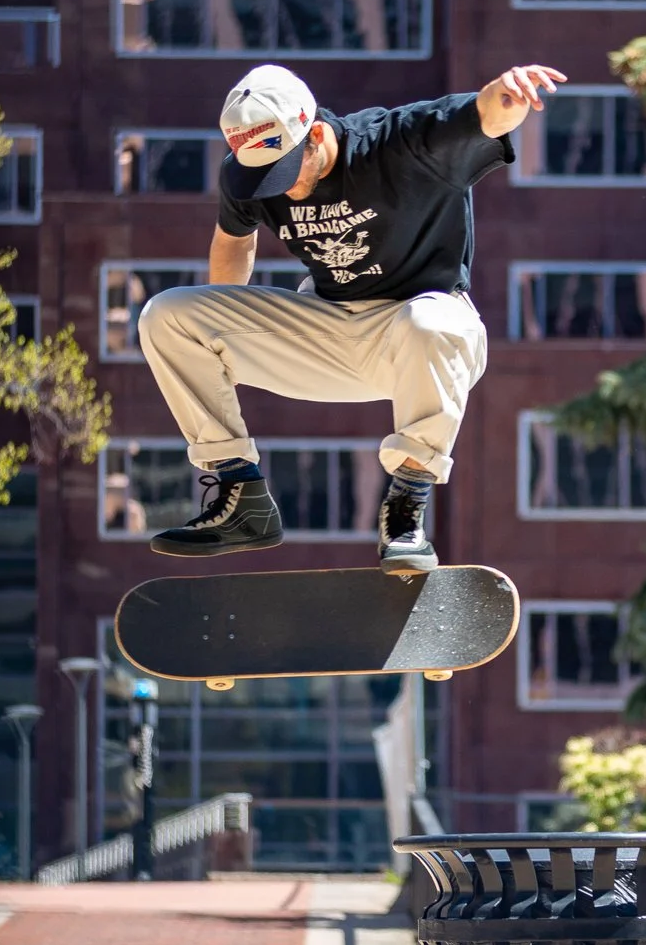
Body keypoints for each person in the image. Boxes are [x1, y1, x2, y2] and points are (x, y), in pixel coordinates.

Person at [136, 60, 566, 574]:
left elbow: (483, 115)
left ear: (315, 133)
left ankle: (406, 506)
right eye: (264, 179)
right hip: (326, 329)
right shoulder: (247, 175)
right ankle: (241, 494)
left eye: (287, 173)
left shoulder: (399, 144)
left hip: (422, 336)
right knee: (169, 314)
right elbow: (232, 245)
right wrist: (222, 346)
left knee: (430, 323)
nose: (283, 191)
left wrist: (508, 92)